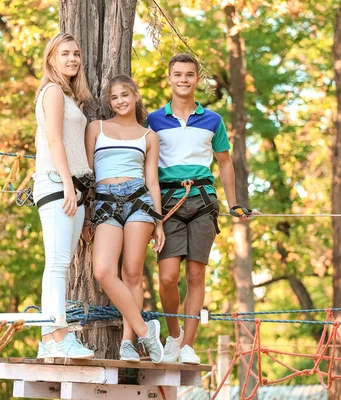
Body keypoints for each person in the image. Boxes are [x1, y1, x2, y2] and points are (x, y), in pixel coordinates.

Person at [147, 53, 254, 364]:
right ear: (169, 79)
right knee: (167, 277)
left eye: (189, 75)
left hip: (203, 199)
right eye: (178, 74)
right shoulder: (153, 120)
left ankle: (188, 346)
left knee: (196, 275)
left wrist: (234, 203)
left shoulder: (213, 120)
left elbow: (224, 162)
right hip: (167, 202)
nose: (183, 79)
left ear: (197, 79)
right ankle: (174, 333)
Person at [85, 75, 166, 363]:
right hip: (106, 202)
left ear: (135, 96)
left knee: (132, 273)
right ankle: (147, 330)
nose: (120, 101)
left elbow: (153, 181)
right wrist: (85, 217)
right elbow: (88, 175)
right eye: (114, 97)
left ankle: (128, 342)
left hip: (138, 200)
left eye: (124, 95)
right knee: (104, 270)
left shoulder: (148, 136)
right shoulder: (97, 128)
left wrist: (159, 223)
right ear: (109, 102)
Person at [33, 33, 95, 359]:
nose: (72, 59)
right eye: (65, 53)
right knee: (56, 264)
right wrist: (69, 187)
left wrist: (80, 193)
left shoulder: (71, 97)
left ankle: (50, 338)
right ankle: (57, 337)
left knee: (61, 263)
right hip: (57, 184)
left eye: (76, 53)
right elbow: (55, 141)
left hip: (74, 189)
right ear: (52, 58)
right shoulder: (53, 91)